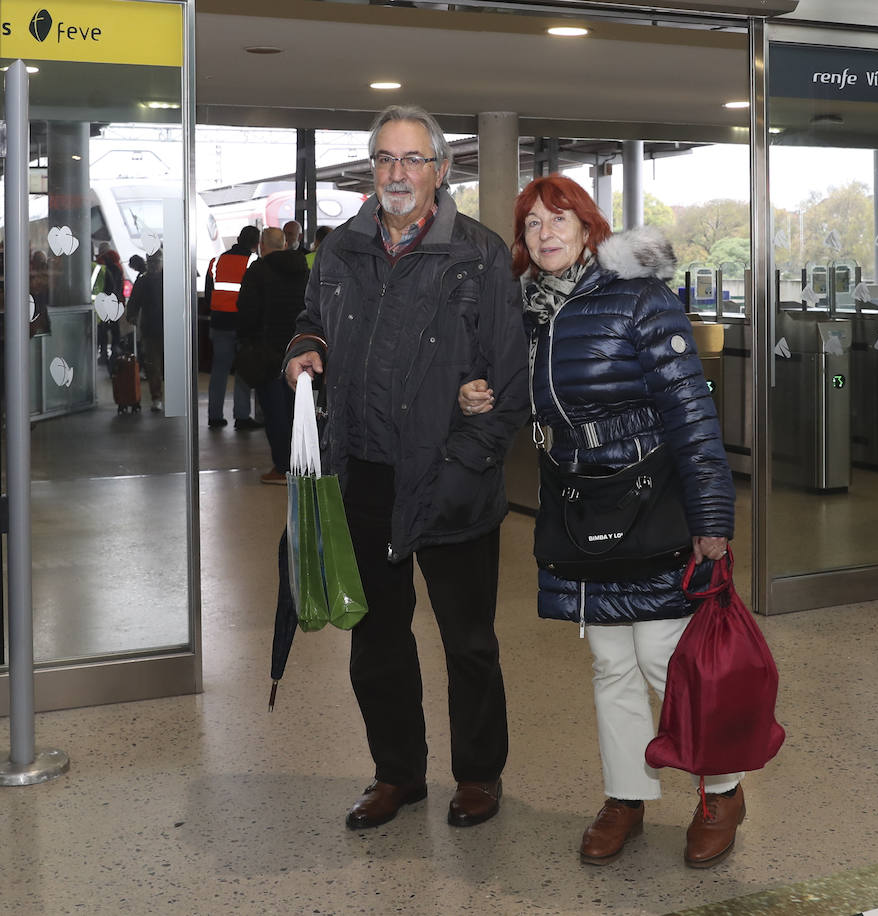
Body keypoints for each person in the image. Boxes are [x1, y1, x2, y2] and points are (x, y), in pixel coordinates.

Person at [459, 176, 742, 869]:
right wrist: (471, 396)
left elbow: (692, 414)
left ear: (590, 229)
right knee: (611, 662)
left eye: (559, 220)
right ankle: (626, 797)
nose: (544, 234)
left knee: (664, 657)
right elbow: (518, 402)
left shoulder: (641, 300)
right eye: (531, 225)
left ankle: (722, 791)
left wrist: (712, 516)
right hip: (579, 510)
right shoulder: (527, 313)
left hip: (650, 505)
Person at [283, 105, 527, 833]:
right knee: (378, 638)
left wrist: (465, 466)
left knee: (469, 641)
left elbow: (507, 383)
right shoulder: (340, 250)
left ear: (441, 170)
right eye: (386, 159)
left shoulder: (479, 255)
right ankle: (397, 774)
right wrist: (303, 344)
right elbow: (312, 316)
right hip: (366, 478)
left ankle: (479, 775)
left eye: (413, 159)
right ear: (372, 169)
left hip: (451, 476)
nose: (398, 173)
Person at [236, 227, 308, 484]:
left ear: (262, 247)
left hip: (267, 352)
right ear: (286, 244)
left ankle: (282, 466)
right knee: (295, 412)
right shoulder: (303, 270)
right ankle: (300, 464)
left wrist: (246, 340)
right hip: (298, 351)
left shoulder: (257, 272)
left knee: (274, 413)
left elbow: (246, 312)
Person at [205, 226, 262, 430]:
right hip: (243, 325)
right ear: (256, 243)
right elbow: (256, 297)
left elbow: (209, 292)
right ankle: (242, 416)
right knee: (243, 370)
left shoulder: (217, 261)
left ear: (237, 239)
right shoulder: (254, 262)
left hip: (219, 323)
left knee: (219, 370)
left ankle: (214, 415)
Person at [127, 251, 165, 412]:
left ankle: (158, 397)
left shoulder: (144, 281)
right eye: (152, 262)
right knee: (154, 365)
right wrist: (132, 315)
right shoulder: (146, 282)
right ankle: (156, 397)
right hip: (153, 328)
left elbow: (133, 302)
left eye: (156, 262)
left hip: (155, 327)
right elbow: (134, 302)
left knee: (155, 365)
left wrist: (133, 315)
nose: (154, 265)